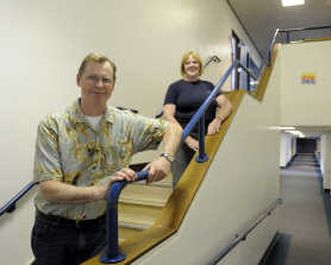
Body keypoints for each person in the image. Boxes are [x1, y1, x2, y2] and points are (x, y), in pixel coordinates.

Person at [31, 53, 181, 265]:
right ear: (78, 80)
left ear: (113, 85)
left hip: (101, 228)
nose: (99, 85)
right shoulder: (52, 125)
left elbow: (173, 129)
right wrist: (101, 191)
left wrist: (165, 159)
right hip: (54, 232)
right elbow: (48, 188)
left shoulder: (127, 123)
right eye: (92, 77)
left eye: (106, 79)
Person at [163, 51, 232, 186]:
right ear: (183, 67)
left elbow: (227, 105)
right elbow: (168, 116)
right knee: (180, 182)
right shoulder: (175, 87)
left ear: (200, 66)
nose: (191, 65)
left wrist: (217, 119)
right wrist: (187, 138)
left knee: (206, 181)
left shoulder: (209, 86)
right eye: (187, 63)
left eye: (194, 62)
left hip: (207, 138)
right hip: (181, 139)